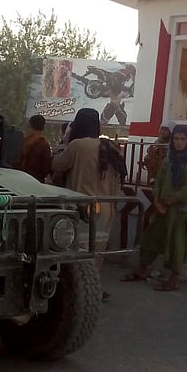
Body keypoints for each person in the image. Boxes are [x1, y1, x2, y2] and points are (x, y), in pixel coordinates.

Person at [51, 108, 127, 299]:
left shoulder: (77, 145)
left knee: (76, 251)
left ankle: (76, 293)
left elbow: (56, 165)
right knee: (97, 252)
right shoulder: (111, 147)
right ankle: (93, 288)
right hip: (106, 207)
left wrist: (63, 143)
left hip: (82, 208)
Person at [121, 125, 187, 291]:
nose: (179, 142)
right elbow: (159, 180)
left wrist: (168, 202)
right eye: (176, 139)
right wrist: (157, 200)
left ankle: (173, 280)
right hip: (162, 208)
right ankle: (142, 270)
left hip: (180, 211)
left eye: (182, 139)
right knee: (151, 238)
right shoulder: (169, 159)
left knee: (177, 244)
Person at [14, 114, 52, 182]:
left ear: (30, 125)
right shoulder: (44, 145)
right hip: (36, 182)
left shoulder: (22, 141)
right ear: (44, 127)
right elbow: (45, 169)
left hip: (20, 179)